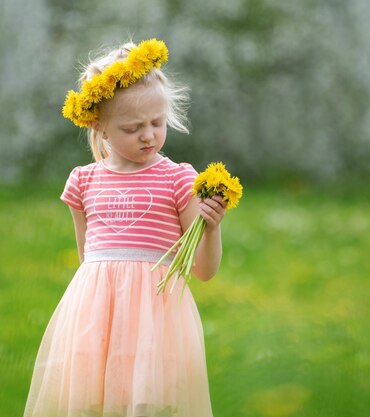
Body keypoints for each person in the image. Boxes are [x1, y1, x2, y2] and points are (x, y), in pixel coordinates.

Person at [23, 38, 225, 417]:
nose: (148, 135)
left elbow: (203, 270)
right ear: (100, 127)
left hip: (156, 323)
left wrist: (211, 230)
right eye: (133, 127)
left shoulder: (178, 180)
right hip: (95, 322)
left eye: (157, 123)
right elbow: (88, 262)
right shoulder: (83, 182)